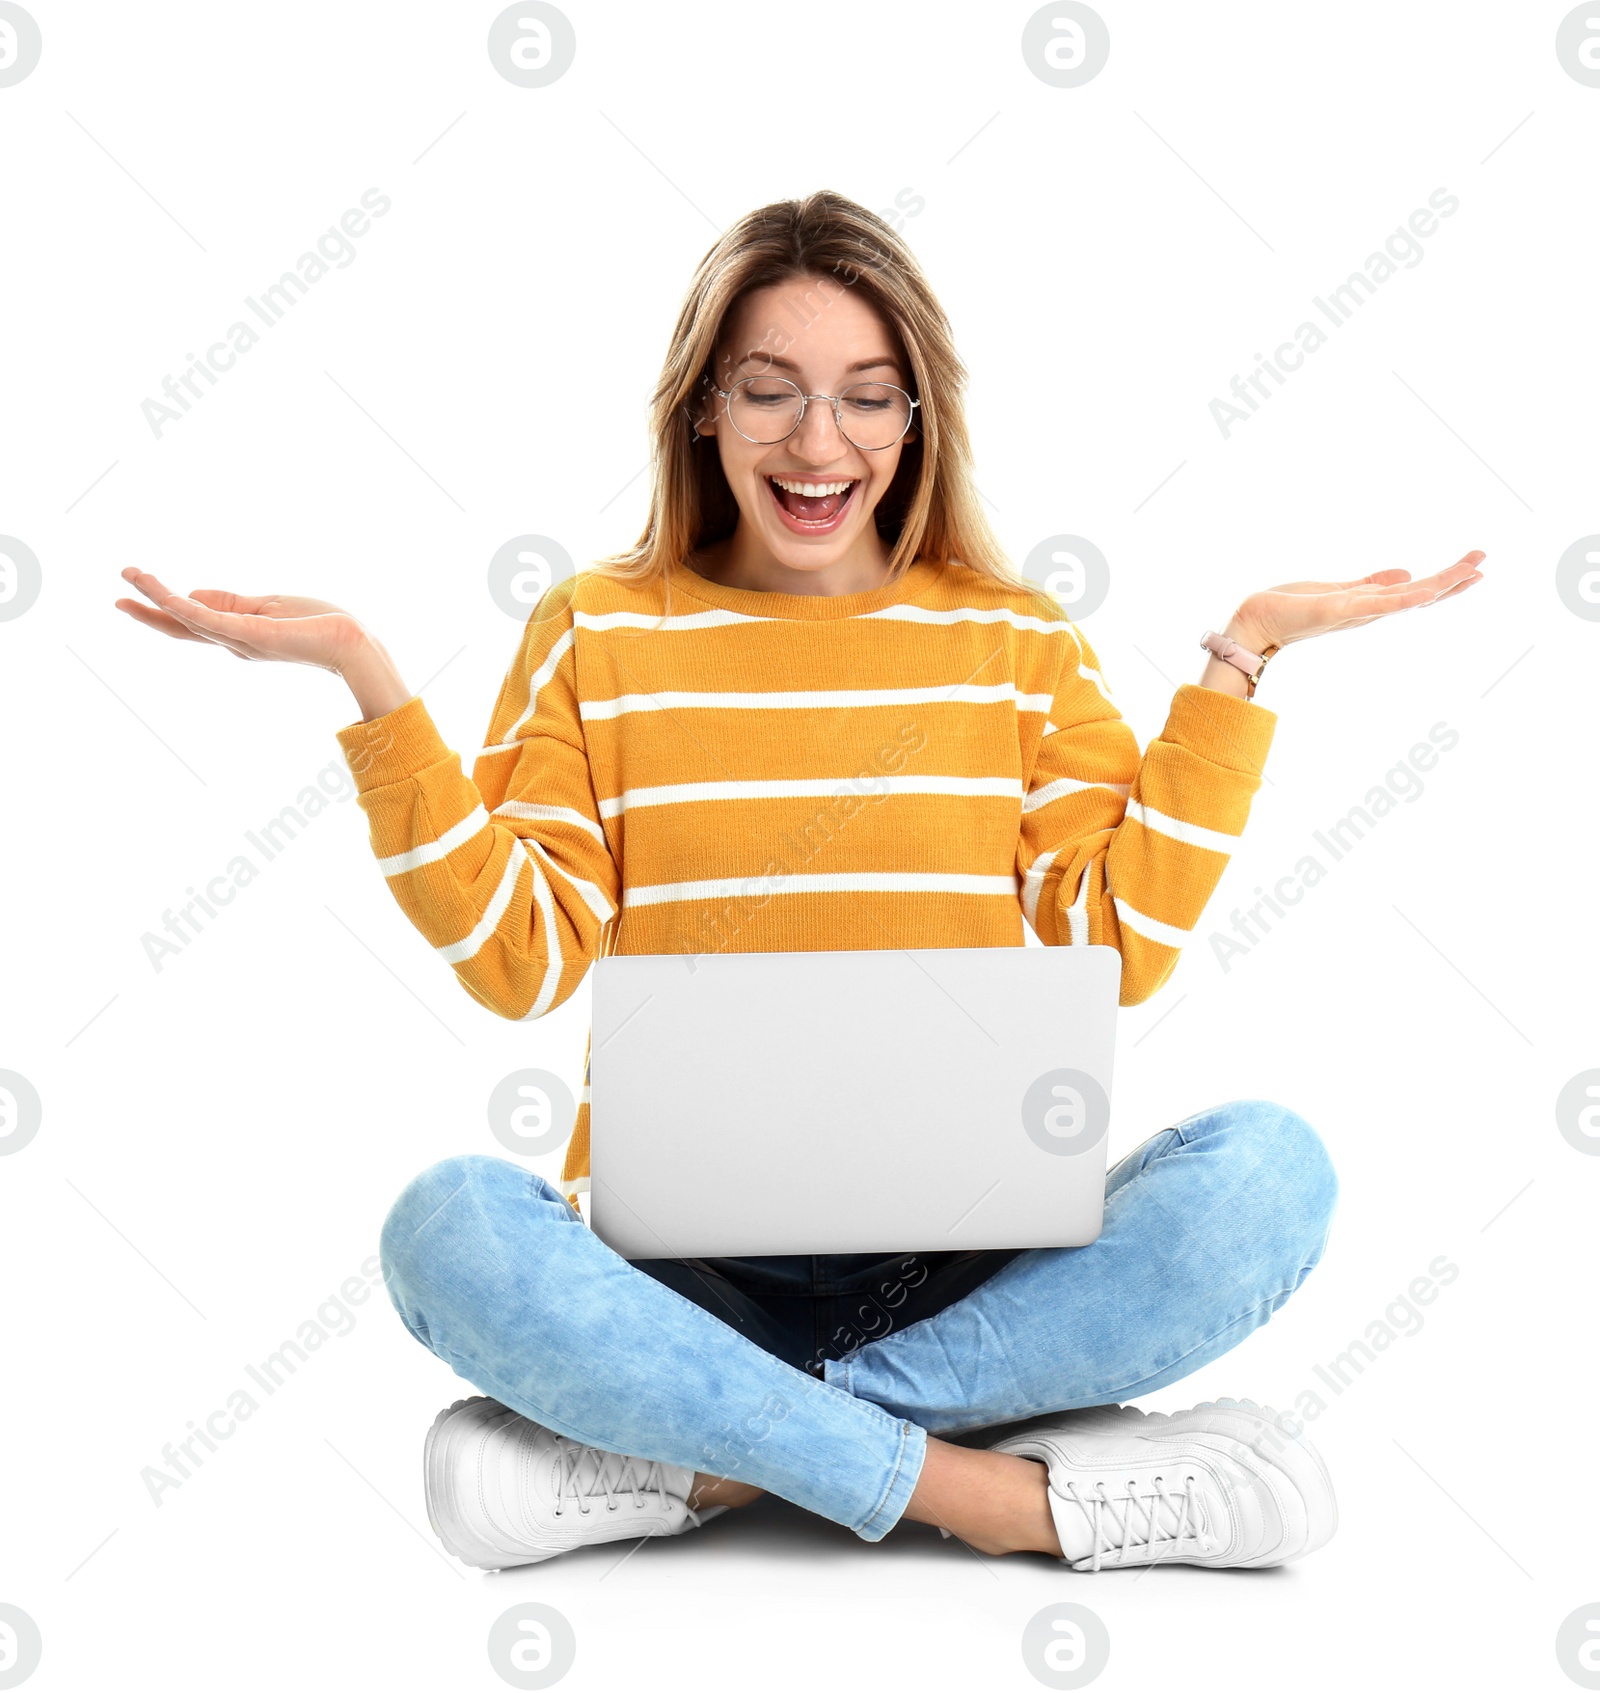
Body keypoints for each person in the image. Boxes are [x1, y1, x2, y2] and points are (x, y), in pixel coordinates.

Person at [117, 190, 1483, 1574]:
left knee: (1270, 1171)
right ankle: (999, 1491)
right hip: (678, 1287)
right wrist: (370, 685)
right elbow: (519, 957)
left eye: (867, 399)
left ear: (915, 422)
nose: (818, 443)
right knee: (446, 1225)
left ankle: (709, 1464)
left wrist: (1241, 656)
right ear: (703, 407)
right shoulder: (596, 630)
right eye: (769, 392)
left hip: (969, 1273)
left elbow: (1115, 938)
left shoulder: (1016, 642)